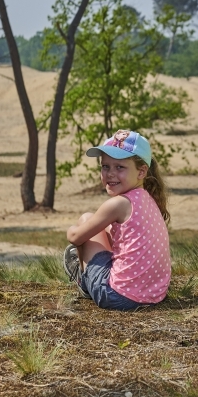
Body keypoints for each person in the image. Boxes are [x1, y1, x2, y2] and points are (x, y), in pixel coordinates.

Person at [63, 129, 171, 310]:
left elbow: (75, 237)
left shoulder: (119, 204)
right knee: (103, 228)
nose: (110, 173)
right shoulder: (148, 199)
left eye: (119, 167)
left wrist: (72, 229)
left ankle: (85, 282)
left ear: (141, 172)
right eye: (105, 166)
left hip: (117, 296)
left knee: (86, 219)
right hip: (154, 294)